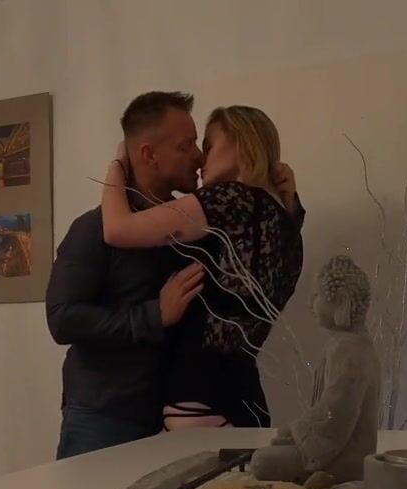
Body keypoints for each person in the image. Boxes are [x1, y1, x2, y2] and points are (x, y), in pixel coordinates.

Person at [100, 105, 305, 430]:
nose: (199, 159)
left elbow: (116, 230)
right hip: (247, 398)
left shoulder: (231, 199)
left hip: (199, 395)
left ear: (241, 144)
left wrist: (117, 165)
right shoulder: (286, 219)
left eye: (208, 146)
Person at [46, 91, 207, 460]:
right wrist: (154, 315)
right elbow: (63, 318)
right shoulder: (93, 229)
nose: (198, 156)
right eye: (186, 146)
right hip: (105, 417)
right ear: (149, 155)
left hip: (174, 418)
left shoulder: (190, 225)